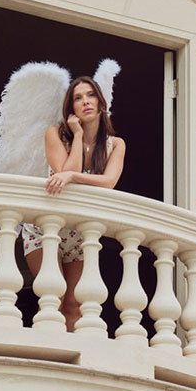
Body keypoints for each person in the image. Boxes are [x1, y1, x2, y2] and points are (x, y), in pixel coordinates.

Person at [22, 75, 126, 330]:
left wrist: (72, 176)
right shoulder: (55, 134)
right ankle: (46, 357)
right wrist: (78, 135)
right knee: (53, 299)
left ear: (101, 101)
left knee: (74, 305)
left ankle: (70, 360)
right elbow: (65, 171)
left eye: (91, 95)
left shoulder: (116, 145)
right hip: (44, 228)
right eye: (78, 98)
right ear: (71, 109)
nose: (85, 102)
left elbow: (109, 181)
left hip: (79, 234)